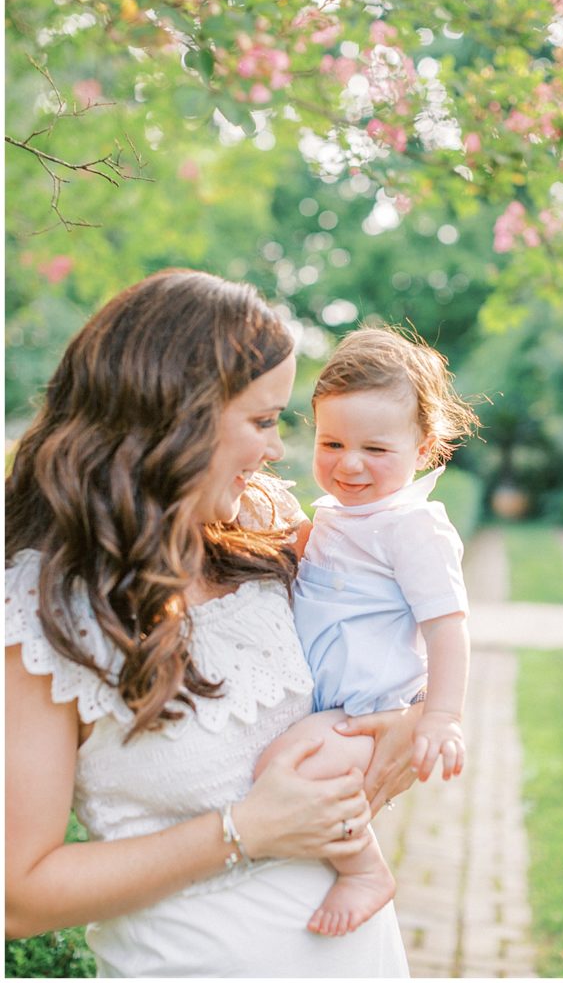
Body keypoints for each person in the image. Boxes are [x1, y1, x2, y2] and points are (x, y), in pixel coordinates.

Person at [5, 270, 418, 978]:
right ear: (176, 417)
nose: (275, 451)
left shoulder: (263, 524)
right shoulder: (46, 616)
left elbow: (387, 633)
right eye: (262, 421)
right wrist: (244, 832)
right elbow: (18, 896)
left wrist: (407, 719)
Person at [257, 327, 479, 938]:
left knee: (289, 768)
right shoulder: (333, 513)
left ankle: (365, 871)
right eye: (332, 442)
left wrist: (441, 716)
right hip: (322, 701)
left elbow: (448, 628)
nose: (349, 464)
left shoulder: (412, 527)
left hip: (364, 709)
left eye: (376, 450)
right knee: (285, 768)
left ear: (425, 446)